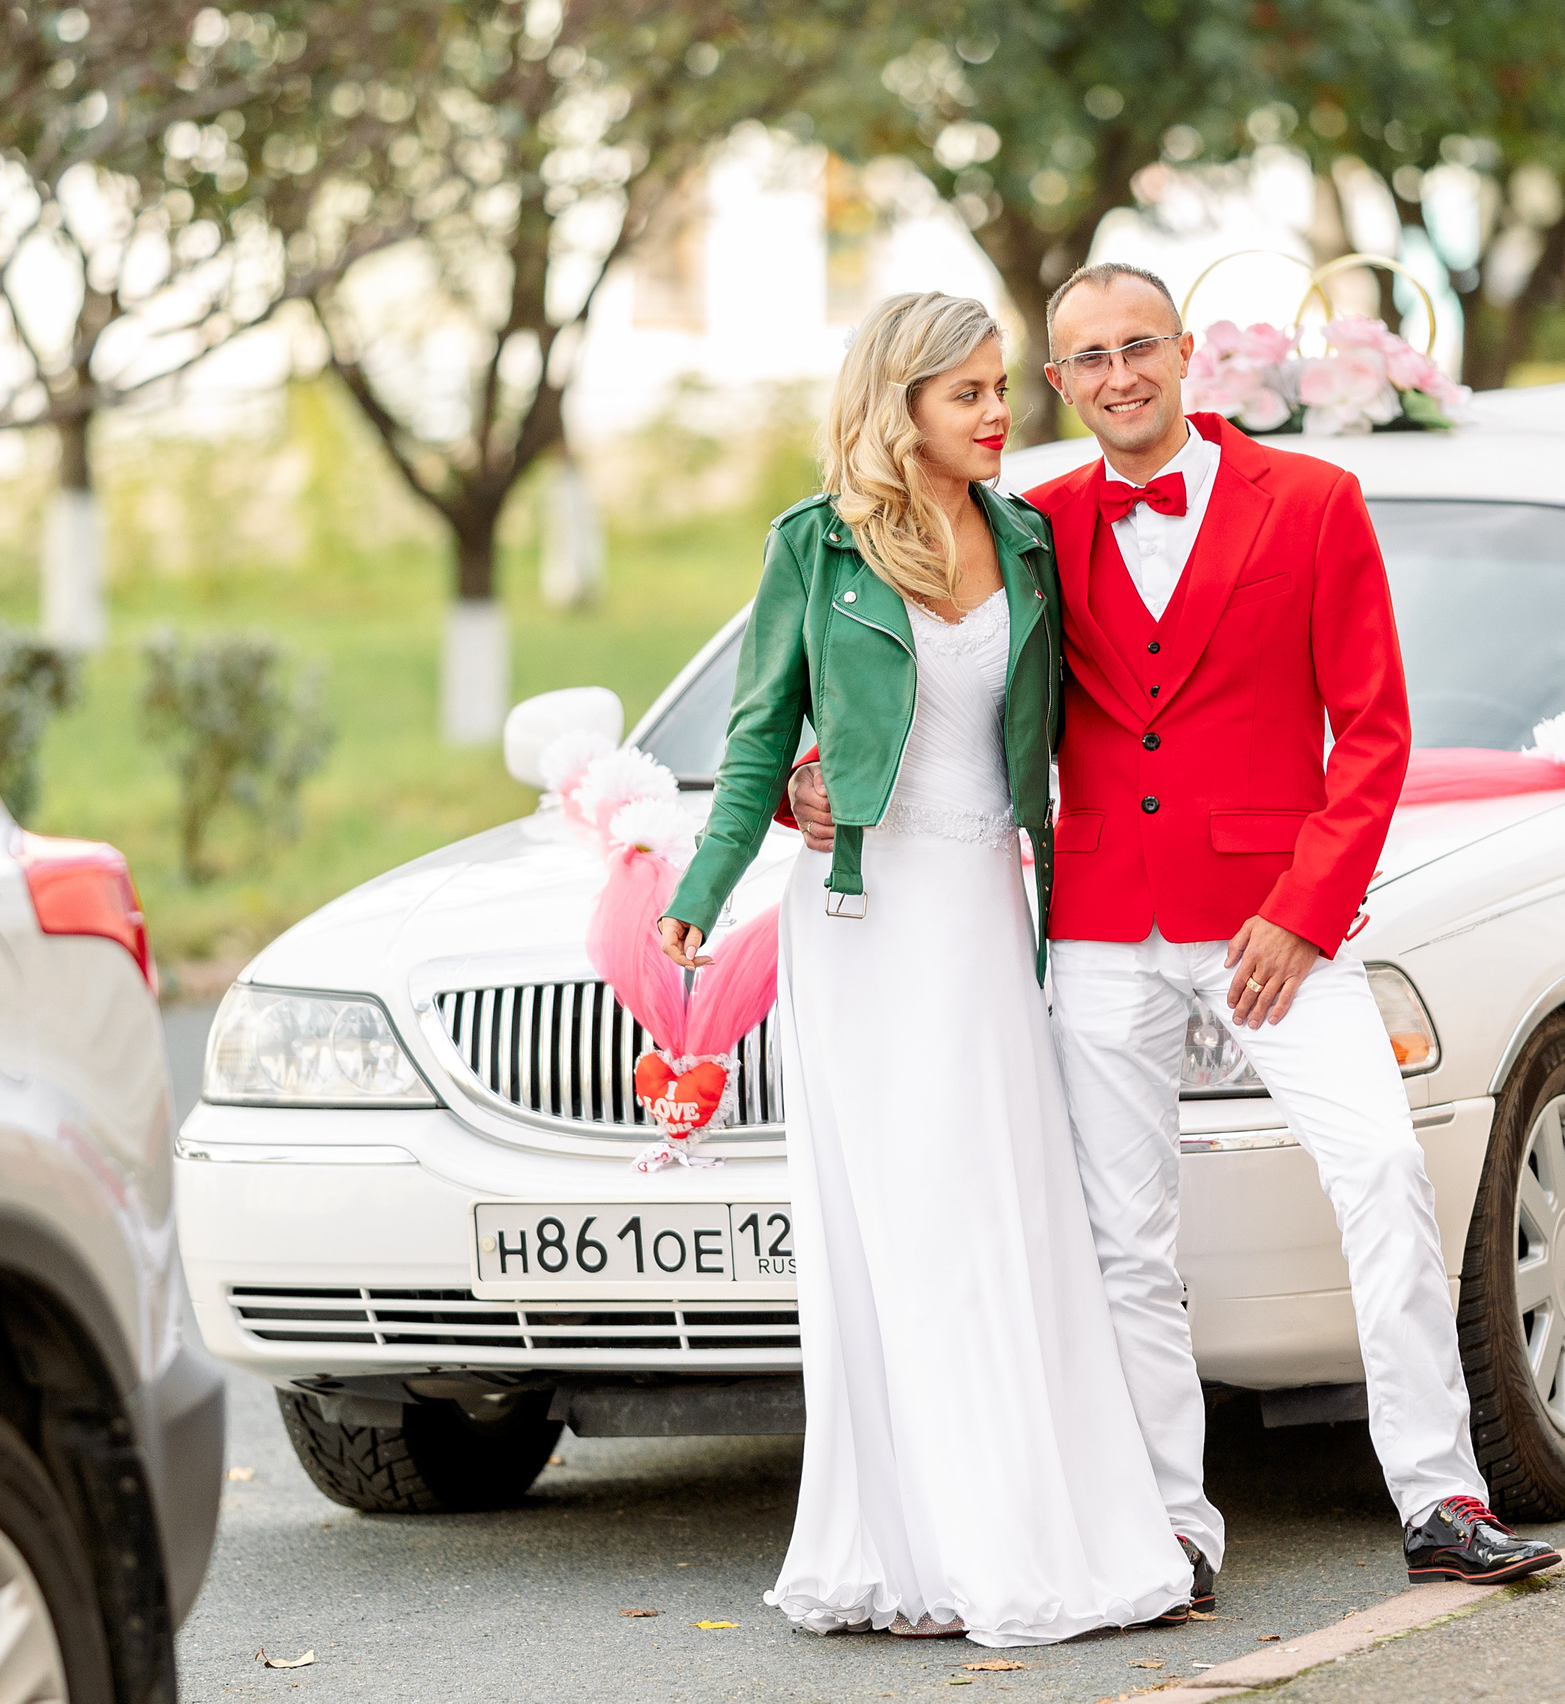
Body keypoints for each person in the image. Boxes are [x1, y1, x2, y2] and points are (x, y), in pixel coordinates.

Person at [789, 263, 1561, 1595]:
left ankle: (1441, 1496)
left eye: (1138, 346)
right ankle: (1172, 1524)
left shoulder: (1313, 503)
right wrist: (824, 773)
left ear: (1188, 352)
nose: (1117, 377)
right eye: (1084, 360)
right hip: (1097, 919)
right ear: (1059, 383)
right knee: (1122, 1239)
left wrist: (1304, 914)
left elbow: (1374, 734)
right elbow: (921, 663)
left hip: (1277, 924)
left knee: (1380, 1169)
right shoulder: (1030, 527)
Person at [656, 291, 1193, 1647]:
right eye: (969, 395)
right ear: (901, 407)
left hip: (982, 914)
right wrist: (699, 897)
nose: (1001, 415)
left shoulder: (1027, 536)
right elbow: (760, 738)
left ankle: (1021, 1536)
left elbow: (1103, 718)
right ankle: (908, 1555)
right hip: (861, 925)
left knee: (1001, 1221)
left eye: (1004, 388)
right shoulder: (815, 549)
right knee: (895, 1236)